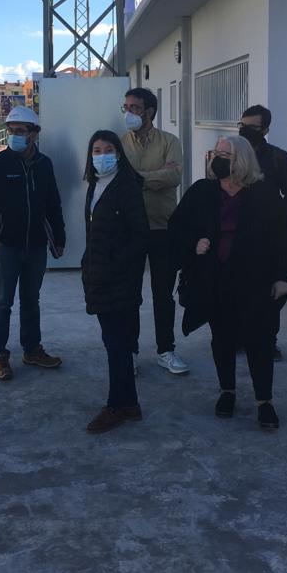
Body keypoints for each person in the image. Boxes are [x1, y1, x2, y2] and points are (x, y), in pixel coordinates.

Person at [169, 136, 287, 431]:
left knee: (260, 341)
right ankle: (226, 392)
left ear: (242, 159)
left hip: (256, 280)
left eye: (224, 154)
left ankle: (264, 401)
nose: (216, 158)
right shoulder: (202, 191)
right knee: (223, 340)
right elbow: (177, 227)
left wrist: (282, 276)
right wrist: (195, 243)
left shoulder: (264, 194)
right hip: (216, 279)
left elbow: (282, 236)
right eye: (215, 153)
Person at [0, 105, 65, 380]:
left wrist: (58, 238)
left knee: (31, 300)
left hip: (35, 246)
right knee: (2, 302)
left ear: (34, 135)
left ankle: (32, 349)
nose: (15, 136)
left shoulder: (44, 164)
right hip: (6, 249)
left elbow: (53, 203)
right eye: (11, 131)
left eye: (21, 131)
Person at [81, 130, 150, 434]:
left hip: (118, 278)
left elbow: (140, 235)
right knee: (115, 343)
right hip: (99, 275)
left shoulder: (127, 186)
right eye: (96, 150)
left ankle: (116, 405)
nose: (102, 155)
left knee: (117, 345)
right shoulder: (95, 184)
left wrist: (116, 267)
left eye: (108, 149)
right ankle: (130, 402)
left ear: (119, 153)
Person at [120, 87, 188, 375]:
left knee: (163, 294)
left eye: (134, 107)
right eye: (126, 107)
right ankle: (130, 352)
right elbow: (116, 179)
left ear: (149, 111)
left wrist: (137, 179)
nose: (128, 113)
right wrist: (151, 179)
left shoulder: (169, 142)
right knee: (130, 295)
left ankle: (166, 350)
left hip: (163, 227)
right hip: (130, 229)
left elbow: (173, 175)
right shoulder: (119, 143)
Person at [238, 104, 287, 361]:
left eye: (252, 127)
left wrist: (280, 223)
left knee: (272, 293)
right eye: (242, 126)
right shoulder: (231, 153)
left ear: (265, 129)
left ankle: (268, 340)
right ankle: (238, 337)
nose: (245, 132)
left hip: (268, 238)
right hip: (237, 236)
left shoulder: (278, 157)